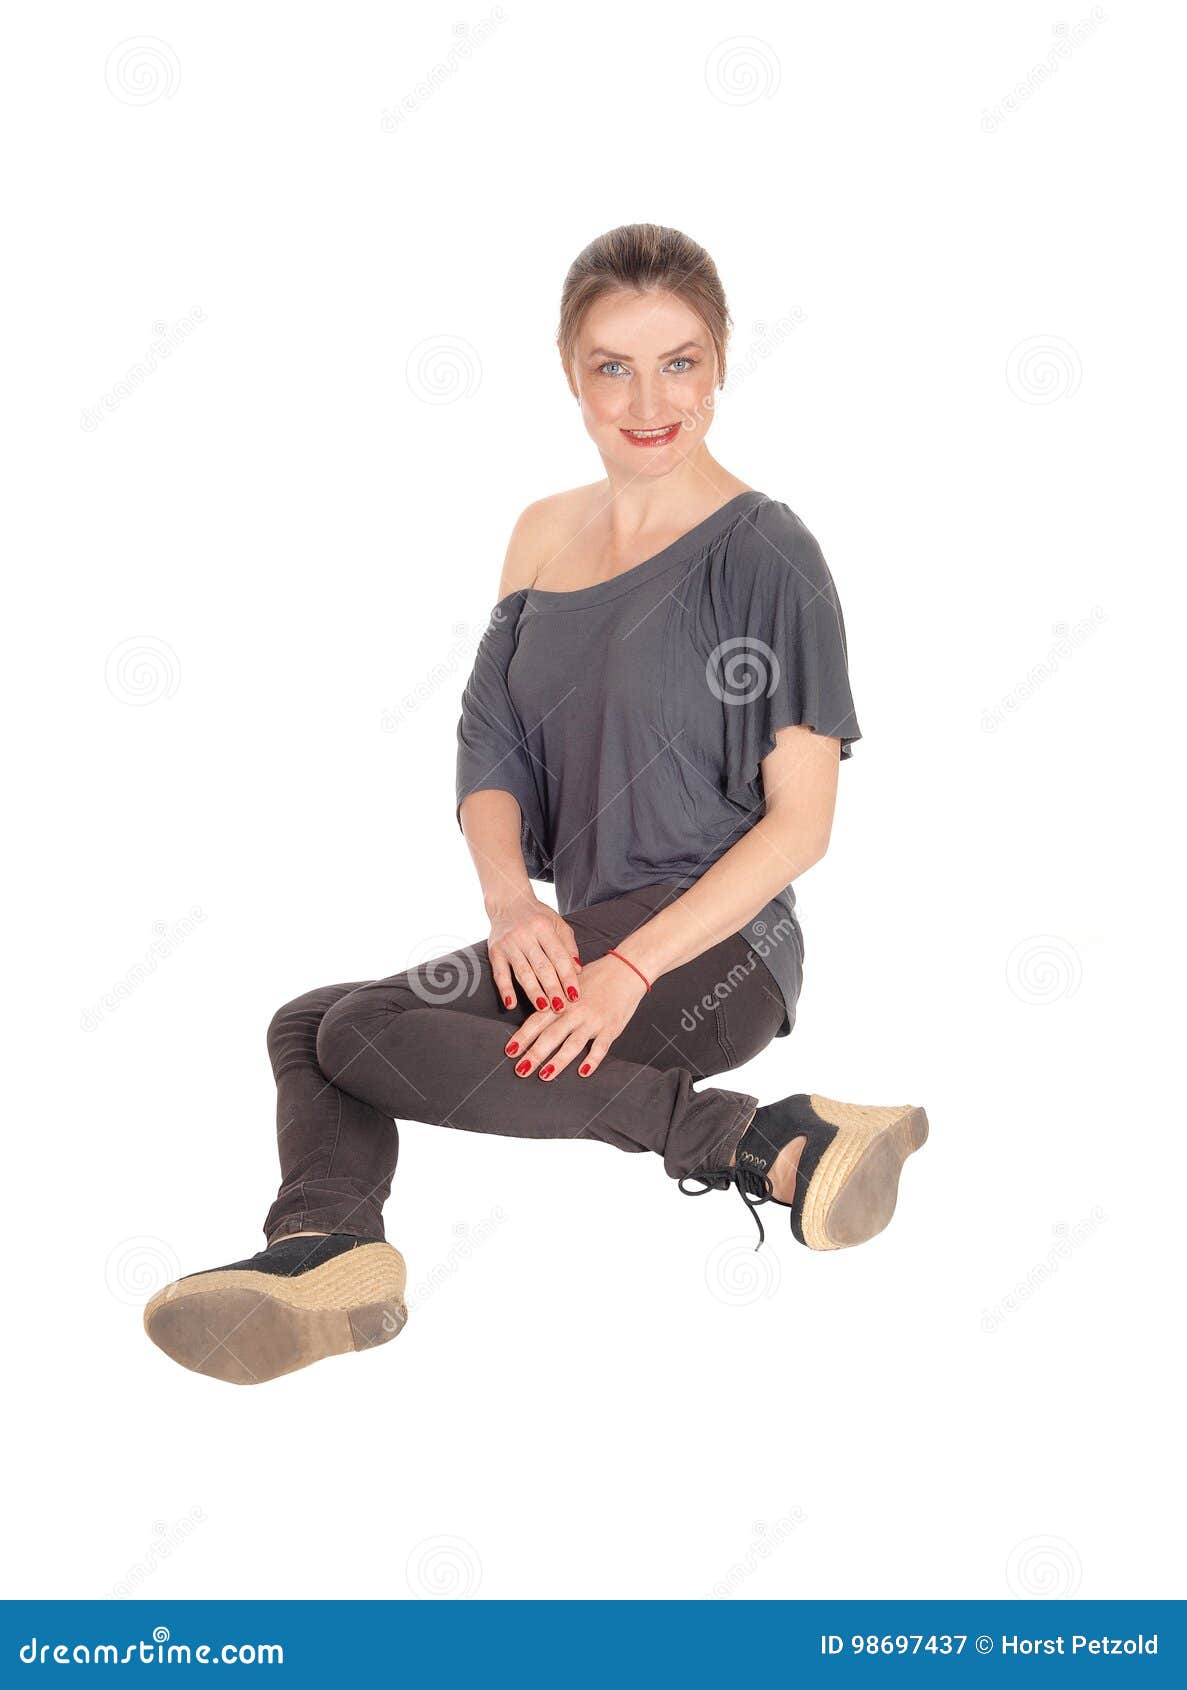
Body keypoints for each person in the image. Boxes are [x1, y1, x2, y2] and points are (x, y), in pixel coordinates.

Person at [144, 223, 927, 1386]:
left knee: (355, 1032)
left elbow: (800, 824)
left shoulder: (769, 553)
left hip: (709, 954)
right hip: (579, 932)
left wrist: (626, 970)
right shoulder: (540, 534)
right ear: (571, 373)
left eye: (680, 361)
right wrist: (512, 903)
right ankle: (330, 1245)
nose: (648, 398)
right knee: (311, 1023)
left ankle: (754, 1138)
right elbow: (490, 742)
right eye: (613, 364)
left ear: (719, 365)